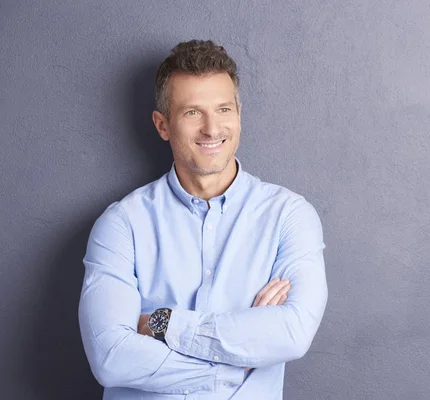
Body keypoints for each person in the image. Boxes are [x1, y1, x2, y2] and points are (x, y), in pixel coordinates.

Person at [78, 40, 328, 400]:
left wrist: (164, 323)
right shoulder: (121, 225)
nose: (212, 129)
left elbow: (293, 332)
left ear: (239, 112)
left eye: (224, 108)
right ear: (162, 125)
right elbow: (111, 358)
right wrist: (236, 363)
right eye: (193, 112)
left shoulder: (289, 216)